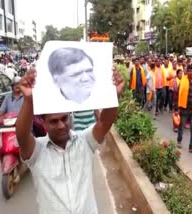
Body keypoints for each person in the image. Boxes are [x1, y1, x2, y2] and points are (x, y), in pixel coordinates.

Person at [15, 68, 124, 214]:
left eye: (64, 118)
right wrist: (28, 100)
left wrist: (113, 95)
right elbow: (22, 137)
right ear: (43, 122)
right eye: (54, 121)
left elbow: (104, 123)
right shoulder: (37, 152)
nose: (61, 125)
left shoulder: (85, 141)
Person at [176, 65, 192, 155]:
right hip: (184, 108)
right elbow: (178, 93)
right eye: (189, 71)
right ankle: (179, 140)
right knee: (181, 126)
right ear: (187, 71)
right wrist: (177, 108)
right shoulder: (183, 80)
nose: (191, 72)